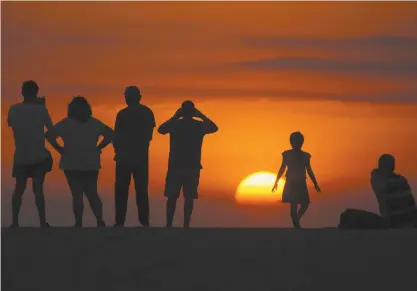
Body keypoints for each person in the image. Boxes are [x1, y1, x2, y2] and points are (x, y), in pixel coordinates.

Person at [45, 96, 113, 227]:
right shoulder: (94, 123)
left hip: (71, 162)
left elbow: (48, 135)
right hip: (91, 162)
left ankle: (78, 223)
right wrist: (99, 147)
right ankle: (99, 220)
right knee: (92, 193)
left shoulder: (66, 123)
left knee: (77, 194)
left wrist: (59, 148)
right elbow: (110, 134)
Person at [158, 101, 218, 228]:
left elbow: (161, 129)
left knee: (173, 197)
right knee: (187, 197)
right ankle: (185, 224)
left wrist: (174, 117)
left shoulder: (175, 124)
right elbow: (214, 127)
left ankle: (170, 224)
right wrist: (201, 116)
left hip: (178, 165)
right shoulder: (198, 125)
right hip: (190, 166)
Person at [7, 80, 53, 228]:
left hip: (21, 154)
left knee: (19, 188)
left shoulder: (13, 109)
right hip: (38, 154)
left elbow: (12, 125)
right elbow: (50, 129)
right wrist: (42, 107)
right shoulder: (41, 110)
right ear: (36, 92)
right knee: (38, 189)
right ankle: (42, 222)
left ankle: (15, 221)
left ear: (22, 92)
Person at [113, 86, 155, 227]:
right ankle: (144, 222)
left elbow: (116, 136)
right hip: (141, 157)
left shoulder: (122, 114)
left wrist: (118, 151)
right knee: (141, 191)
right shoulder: (147, 112)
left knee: (121, 191)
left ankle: (120, 222)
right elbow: (149, 136)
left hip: (124, 157)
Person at [272, 132, 321, 228]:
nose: (297, 144)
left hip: (301, 182)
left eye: (299, 142)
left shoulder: (305, 156)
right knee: (293, 203)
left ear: (302, 142)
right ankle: (296, 225)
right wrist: (276, 182)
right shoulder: (287, 154)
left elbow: (309, 170)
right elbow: (282, 168)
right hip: (291, 182)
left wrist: (315, 183)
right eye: (294, 141)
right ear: (291, 142)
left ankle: (296, 220)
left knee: (305, 204)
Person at [370, 154, 417, 228]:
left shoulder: (379, 180)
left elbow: (384, 202)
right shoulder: (401, 180)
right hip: (411, 220)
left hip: (397, 222)